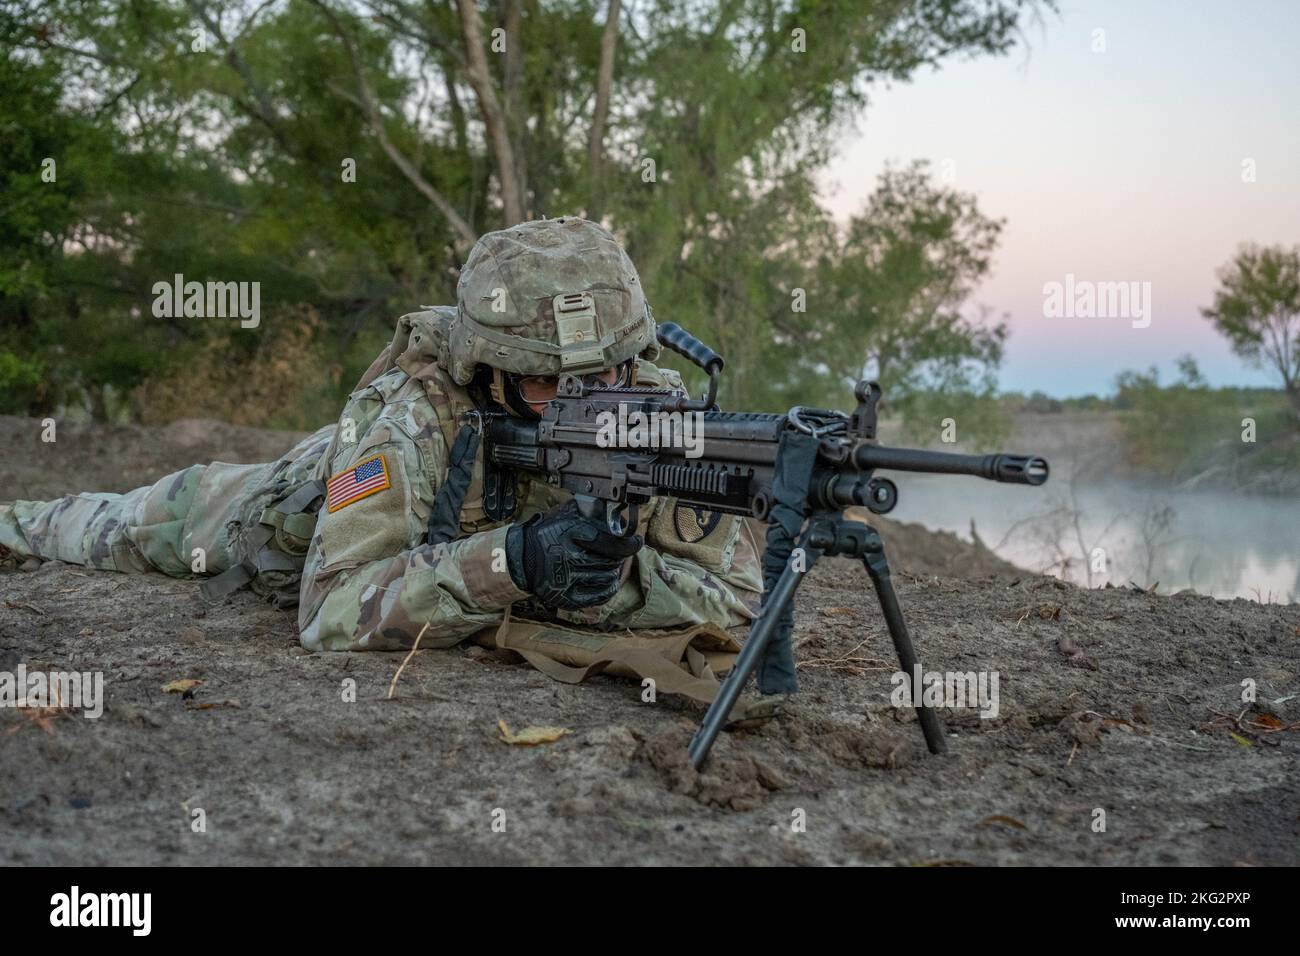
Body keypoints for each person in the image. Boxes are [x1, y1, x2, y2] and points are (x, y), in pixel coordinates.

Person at [1, 217, 764, 702]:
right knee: (113, 526)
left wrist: (616, 581)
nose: (589, 401)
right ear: (489, 370)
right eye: (547, 382)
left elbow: (734, 600)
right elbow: (330, 612)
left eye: (606, 375)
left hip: (423, 545)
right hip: (276, 512)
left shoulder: (660, 416)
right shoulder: (414, 420)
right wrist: (517, 563)